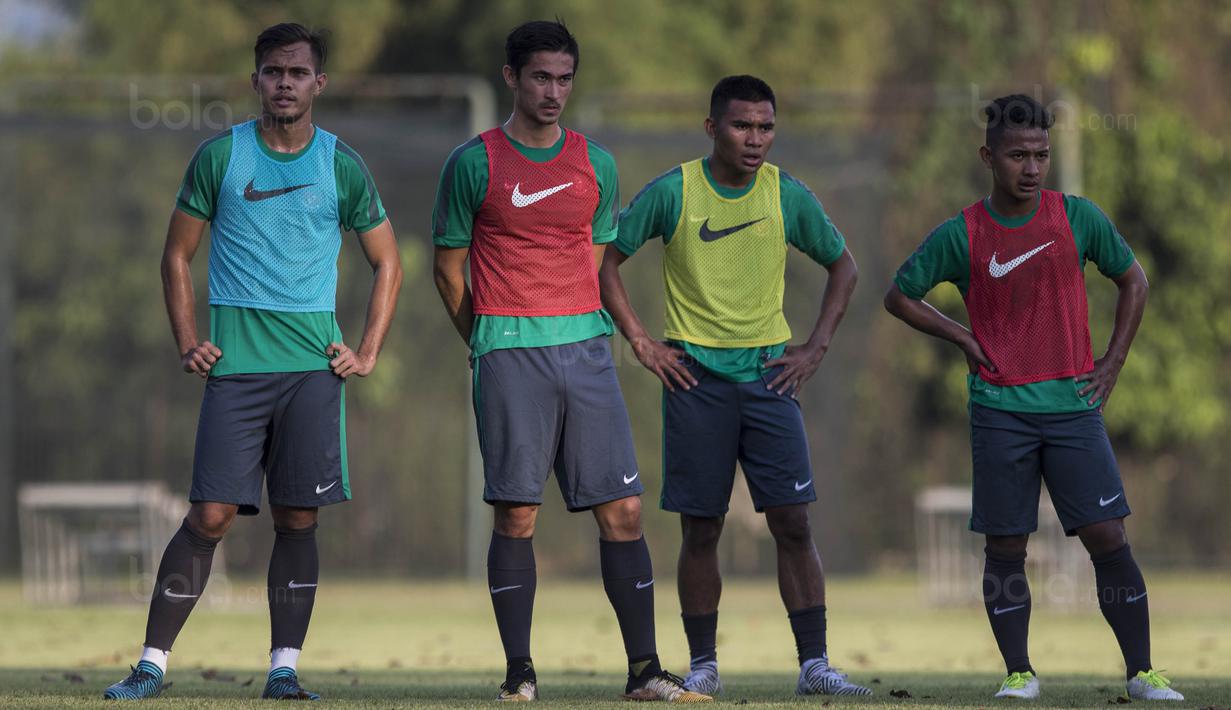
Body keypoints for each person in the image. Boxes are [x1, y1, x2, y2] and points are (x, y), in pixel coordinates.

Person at [102, 22, 402, 701]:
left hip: (313, 374)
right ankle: (150, 666)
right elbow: (176, 255)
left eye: (297, 73)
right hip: (236, 371)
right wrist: (188, 340)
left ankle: (283, 671)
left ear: (319, 82)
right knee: (209, 516)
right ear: (256, 80)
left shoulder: (340, 164)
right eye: (274, 72)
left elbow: (388, 262)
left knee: (298, 520)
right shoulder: (221, 157)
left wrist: (367, 351)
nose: (285, 83)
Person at [431, 19, 709, 703]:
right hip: (507, 352)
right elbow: (447, 268)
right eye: (540, 77)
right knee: (516, 514)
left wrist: (621, 336)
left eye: (563, 79)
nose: (553, 92)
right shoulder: (473, 163)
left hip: (586, 353)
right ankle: (519, 674)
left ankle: (644, 672)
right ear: (512, 78)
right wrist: (485, 339)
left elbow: (595, 262)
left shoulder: (596, 164)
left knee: (625, 510)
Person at [883, 93, 1182, 701]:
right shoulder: (963, 233)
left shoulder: (1077, 217)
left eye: (1041, 155)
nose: (1032, 167)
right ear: (988, 157)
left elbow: (1134, 280)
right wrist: (961, 336)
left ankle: (1142, 673)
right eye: (1018, 155)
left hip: (1074, 410)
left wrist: (1112, 364)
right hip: (1000, 413)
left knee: (1108, 537)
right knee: (1005, 546)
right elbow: (900, 295)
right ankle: (1019, 673)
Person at [598, 75, 869, 698]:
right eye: (742, 125)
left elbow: (844, 267)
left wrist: (816, 346)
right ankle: (703, 666)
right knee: (702, 528)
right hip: (695, 382)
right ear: (711, 127)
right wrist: (641, 341)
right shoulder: (675, 190)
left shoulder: (784, 193)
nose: (755, 139)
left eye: (766, 127)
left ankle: (815, 666)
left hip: (770, 380)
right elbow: (607, 261)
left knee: (793, 523)